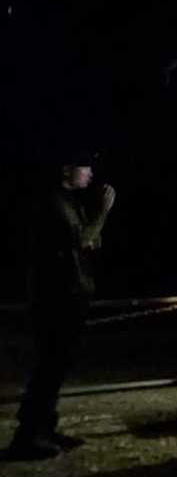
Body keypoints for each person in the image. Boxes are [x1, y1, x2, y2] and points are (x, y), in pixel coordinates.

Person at [10, 156, 115, 460]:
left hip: (69, 295)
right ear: (66, 170)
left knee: (56, 367)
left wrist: (90, 233)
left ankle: (44, 429)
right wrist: (103, 213)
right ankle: (28, 436)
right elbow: (82, 239)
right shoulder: (54, 203)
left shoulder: (68, 201)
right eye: (85, 166)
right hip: (56, 299)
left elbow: (88, 242)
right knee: (49, 367)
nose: (90, 172)